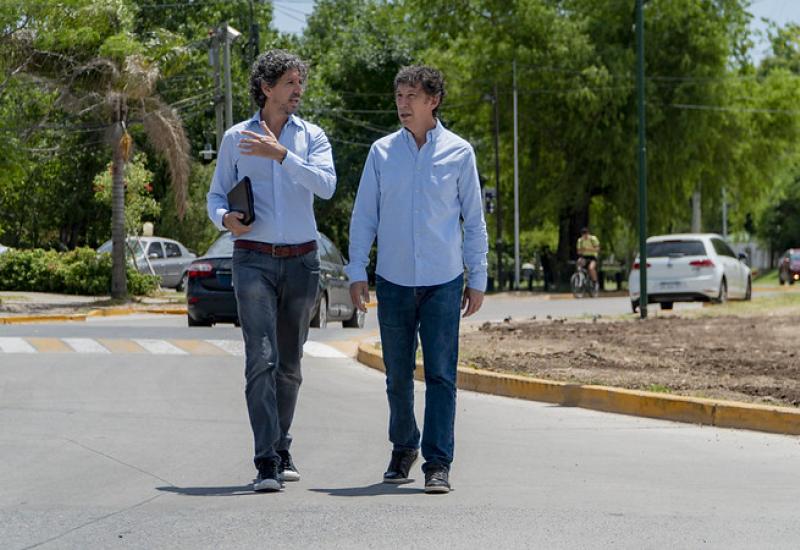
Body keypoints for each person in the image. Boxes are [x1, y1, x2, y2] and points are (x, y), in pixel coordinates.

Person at [346, 66, 489, 494]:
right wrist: (357, 271)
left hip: (443, 281)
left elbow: (474, 220)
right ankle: (403, 446)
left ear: (433, 101)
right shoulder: (381, 152)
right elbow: (363, 217)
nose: (403, 105)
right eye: (399, 96)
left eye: (412, 96)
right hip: (393, 280)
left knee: (442, 374)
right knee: (397, 375)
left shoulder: (460, 153)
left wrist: (476, 275)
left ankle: (437, 462)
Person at [206, 50, 336, 492]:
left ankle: (282, 445)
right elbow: (215, 196)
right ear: (266, 87)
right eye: (290, 83)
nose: (298, 91)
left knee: (290, 364)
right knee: (260, 359)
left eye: (300, 83)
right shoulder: (235, 138)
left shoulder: (312, 137)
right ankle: (265, 461)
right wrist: (225, 219)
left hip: (302, 261)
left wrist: (281, 155)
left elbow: (327, 185)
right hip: (253, 259)